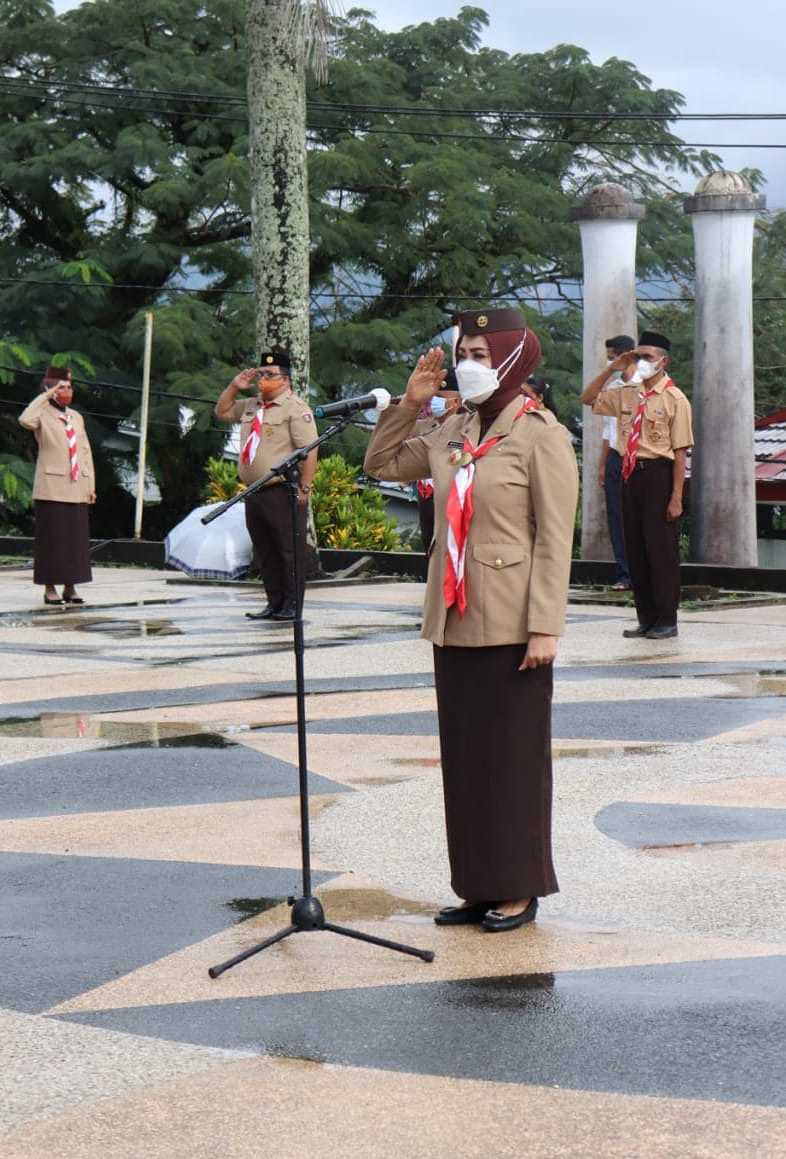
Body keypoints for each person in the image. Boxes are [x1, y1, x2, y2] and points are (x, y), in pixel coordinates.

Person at [365, 308, 578, 932]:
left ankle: (519, 886)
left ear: (513, 357)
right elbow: (381, 465)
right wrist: (408, 404)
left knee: (512, 759)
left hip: (513, 622)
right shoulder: (454, 426)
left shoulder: (540, 434)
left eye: (482, 353)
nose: (468, 363)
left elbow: (553, 539)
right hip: (454, 615)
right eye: (465, 351)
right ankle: (478, 885)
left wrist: (547, 626)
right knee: (466, 759)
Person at [580, 330, 693, 640]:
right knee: (636, 550)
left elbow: (680, 452)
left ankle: (667, 619)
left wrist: (676, 497)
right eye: (638, 356)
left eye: (648, 357)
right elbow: (588, 399)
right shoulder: (627, 392)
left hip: (659, 473)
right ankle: (646, 618)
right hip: (631, 473)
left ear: (663, 361)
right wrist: (613, 367)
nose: (641, 362)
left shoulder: (675, 399)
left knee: (660, 551)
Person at [215, 349, 317, 622]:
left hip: (282, 490)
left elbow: (309, 450)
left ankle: (292, 606)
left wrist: (305, 487)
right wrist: (235, 387)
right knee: (265, 551)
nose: (263, 380)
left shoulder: (295, 409)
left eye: (270, 375)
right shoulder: (252, 406)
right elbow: (222, 410)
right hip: (254, 491)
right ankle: (274, 603)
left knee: (288, 550)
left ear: (285, 379)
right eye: (261, 374)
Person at [18, 367, 96, 606]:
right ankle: (49, 588)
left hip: (77, 486)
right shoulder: (41, 414)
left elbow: (85, 451)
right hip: (52, 487)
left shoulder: (76, 417)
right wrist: (45, 395)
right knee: (53, 540)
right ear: (50, 388)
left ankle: (70, 587)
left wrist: (90, 484)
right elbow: (24, 420)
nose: (66, 391)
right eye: (61, 387)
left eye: (69, 387)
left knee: (75, 541)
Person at [598, 335, 635, 590]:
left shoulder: (646, 384)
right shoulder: (612, 388)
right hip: (614, 455)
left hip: (639, 455)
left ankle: (642, 571)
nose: (612, 362)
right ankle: (624, 573)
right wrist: (602, 464)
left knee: (638, 515)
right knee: (616, 515)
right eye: (610, 358)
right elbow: (607, 429)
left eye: (614, 358)